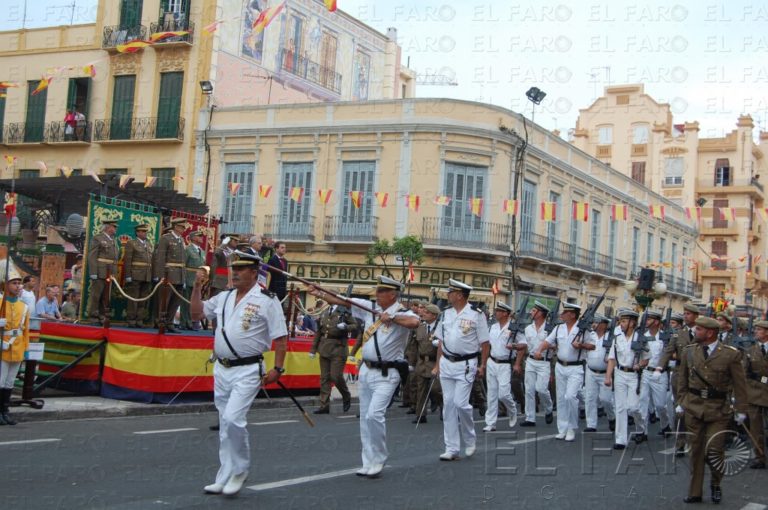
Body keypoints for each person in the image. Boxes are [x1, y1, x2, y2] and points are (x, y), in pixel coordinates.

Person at [190, 251, 287, 497]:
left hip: (248, 369)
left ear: (254, 272)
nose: (234, 272)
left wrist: (278, 368)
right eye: (234, 268)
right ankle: (224, 474)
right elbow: (197, 313)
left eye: (241, 268)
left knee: (233, 419)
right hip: (222, 368)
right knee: (225, 424)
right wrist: (196, 287)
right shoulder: (224, 297)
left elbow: (281, 337)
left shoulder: (267, 299)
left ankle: (240, 469)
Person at [308, 275, 419, 478]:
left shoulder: (403, 312)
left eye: (381, 291)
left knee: (374, 415)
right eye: (377, 291)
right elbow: (341, 300)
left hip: (388, 372)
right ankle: (368, 461)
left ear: (393, 294)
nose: (376, 295)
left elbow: (414, 322)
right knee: (365, 420)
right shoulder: (369, 308)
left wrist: (391, 318)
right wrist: (320, 292)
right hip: (367, 370)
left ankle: (379, 456)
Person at [676, 316, 748, 504]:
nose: (695, 331)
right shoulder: (689, 352)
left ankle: (716, 483)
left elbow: (740, 385)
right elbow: (681, 378)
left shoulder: (730, 354)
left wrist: (741, 410)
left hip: (718, 410)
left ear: (710, 333)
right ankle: (695, 492)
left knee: (715, 450)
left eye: (699, 329)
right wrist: (681, 400)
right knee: (696, 451)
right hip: (694, 407)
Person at [432, 279, 490, 460]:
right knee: (448, 405)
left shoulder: (476, 314)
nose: (448, 295)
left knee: (461, 404)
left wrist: (483, 365)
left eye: (451, 292)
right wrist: (437, 364)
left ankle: (470, 439)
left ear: (459, 295)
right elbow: (441, 341)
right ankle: (452, 448)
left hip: (466, 364)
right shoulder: (446, 314)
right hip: (447, 363)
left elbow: (485, 343)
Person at [533, 303, 592, 442]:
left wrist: (581, 345)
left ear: (572, 314)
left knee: (570, 396)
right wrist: (539, 350)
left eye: (565, 312)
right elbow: (547, 341)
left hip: (575, 367)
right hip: (560, 366)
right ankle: (562, 429)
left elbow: (592, 345)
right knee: (560, 398)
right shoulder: (559, 328)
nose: (562, 314)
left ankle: (571, 427)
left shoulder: (583, 329)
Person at [656, 303, 699, 456]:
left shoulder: (703, 332)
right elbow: (668, 351)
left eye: (688, 314)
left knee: (696, 410)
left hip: (699, 376)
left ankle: (695, 442)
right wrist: (659, 367)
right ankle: (680, 443)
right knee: (679, 409)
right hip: (680, 374)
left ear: (696, 316)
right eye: (685, 313)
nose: (685, 316)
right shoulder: (678, 333)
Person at [604, 309, 649, 450]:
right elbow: (612, 359)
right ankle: (620, 439)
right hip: (619, 374)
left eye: (624, 321)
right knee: (620, 407)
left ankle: (641, 427)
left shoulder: (641, 338)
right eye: (621, 321)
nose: (621, 324)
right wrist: (608, 377)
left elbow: (647, 359)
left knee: (633, 407)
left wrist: (639, 364)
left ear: (632, 322)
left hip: (634, 375)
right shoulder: (617, 338)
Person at [309, 301, 359, 414]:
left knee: (336, 376)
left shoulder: (345, 312)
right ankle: (324, 405)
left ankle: (346, 395)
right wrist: (313, 349)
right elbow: (319, 332)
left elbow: (355, 326)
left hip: (338, 349)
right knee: (324, 378)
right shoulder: (325, 312)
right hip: (324, 348)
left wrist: (346, 327)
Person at [483, 302, 523, 432]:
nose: (496, 313)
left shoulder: (514, 328)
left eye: (499, 311)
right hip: (492, 361)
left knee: (504, 394)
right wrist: (483, 363)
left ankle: (512, 410)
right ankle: (490, 423)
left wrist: (516, 358)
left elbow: (523, 345)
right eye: (496, 310)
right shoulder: (492, 327)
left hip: (505, 363)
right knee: (492, 394)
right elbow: (487, 345)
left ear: (506, 313)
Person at [0, 264, 30, 425]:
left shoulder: (23, 306)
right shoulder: (0, 302)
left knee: (10, 382)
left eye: (19, 283)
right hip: (3, 346)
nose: (18, 286)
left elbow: (25, 331)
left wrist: (26, 349)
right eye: (14, 283)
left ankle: (5, 410)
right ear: (5, 285)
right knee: (0, 380)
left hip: (17, 346)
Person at [521, 301, 554, 427]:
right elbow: (525, 344)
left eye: (534, 311)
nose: (531, 312)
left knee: (541, 389)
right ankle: (530, 418)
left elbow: (556, 345)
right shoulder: (528, 328)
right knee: (529, 389)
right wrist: (516, 346)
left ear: (541, 313)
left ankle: (549, 408)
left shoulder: (550, 328)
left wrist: (547, 347)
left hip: (544, 362)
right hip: (530, 360)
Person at [640, 310, 673, 437]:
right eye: (646, 319)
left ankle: (665, 425)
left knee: (660, 405)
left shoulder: (665, 337)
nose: (646, 322)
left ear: (657, 322)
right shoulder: (642, 335)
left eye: (649, 319)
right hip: (646, 372)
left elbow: (670, 354)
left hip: (660, 374)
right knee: (642, 401)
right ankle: (642, 431)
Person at [153, 218, 188, 333]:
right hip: (169, 273)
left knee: (175, 300)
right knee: (165, 299)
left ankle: (169, 322)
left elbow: (183, 261)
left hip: (179, 274)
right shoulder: (166, 238)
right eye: (182, 227)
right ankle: (160, 321)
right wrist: (161, 275)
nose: (183, 229)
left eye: (184, 227)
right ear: (176, 227)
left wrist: (184, 278)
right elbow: (160, 258)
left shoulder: (181, 240)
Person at [583, 314, 615, 432]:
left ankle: (612, 417)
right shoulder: (590, 335)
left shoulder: (611, 337)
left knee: (605, 399)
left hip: (604, 372)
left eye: (597, 322)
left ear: (604, 324)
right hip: (591, 370)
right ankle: (591, 424)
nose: (594, 324)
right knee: (590, 398)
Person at [412, 303, 442, 424]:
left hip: (434, 361)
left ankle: (442, 406)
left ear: (434, 315)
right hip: (421, 362)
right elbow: (414, 346)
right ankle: (421, 415)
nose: (424, 314)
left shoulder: (440, 328)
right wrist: (411, 362)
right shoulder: (420, 327)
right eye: (424, 312)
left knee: (436, 389)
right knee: (421, 389)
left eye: (427, 313)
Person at [744, 320, 768, 469]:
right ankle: (759, 457)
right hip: (754, 393)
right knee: (755, 428)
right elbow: (743, 373)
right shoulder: (750, 351)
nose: (755, 332)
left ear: (766, 332)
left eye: (759, 329)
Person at [87, 219, 119, 325]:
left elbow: (114, 259)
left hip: (109, 272)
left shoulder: (113, 240)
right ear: (108, 227)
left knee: (105, 296)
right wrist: (93, 272)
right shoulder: (98, 238)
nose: (115, 229)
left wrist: (114, 272)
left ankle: (101, 315)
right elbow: (92, 256)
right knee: (96, 295)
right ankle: (93, 316)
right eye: (114, 227)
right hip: (100, 270)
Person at [123, 224, 154, 328]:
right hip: (135, 274)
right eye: (143, 232)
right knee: (133, 298)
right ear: (137, 232)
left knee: (143, 299)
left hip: (147, 274)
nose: (145, 234)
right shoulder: (131, 243)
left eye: (146, 232)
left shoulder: (149, 244)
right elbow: (127, 260)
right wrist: (128, 275)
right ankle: (131, 319)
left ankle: (139, 319)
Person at [181, 230, 206, 331]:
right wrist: (183, 279)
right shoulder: (188, 249)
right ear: (193, 238)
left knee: (194, 302)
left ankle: (192, 321)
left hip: (198, 280)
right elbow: (183, 265)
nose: (201, 238)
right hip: (188, 278)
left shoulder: (202, 251)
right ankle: (184, 322)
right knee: (186, 302)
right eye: (199, 236)